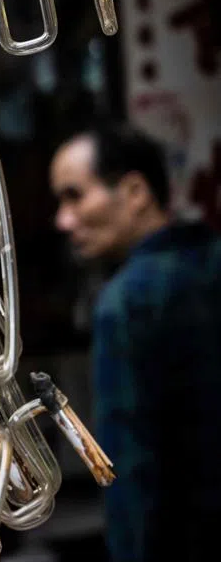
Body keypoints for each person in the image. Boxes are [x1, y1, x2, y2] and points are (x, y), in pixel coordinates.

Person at [50, 122, 221, 562]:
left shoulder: (125, 305)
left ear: (135, 192)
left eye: (75, 196)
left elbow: (127, 470)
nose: (63, 220)